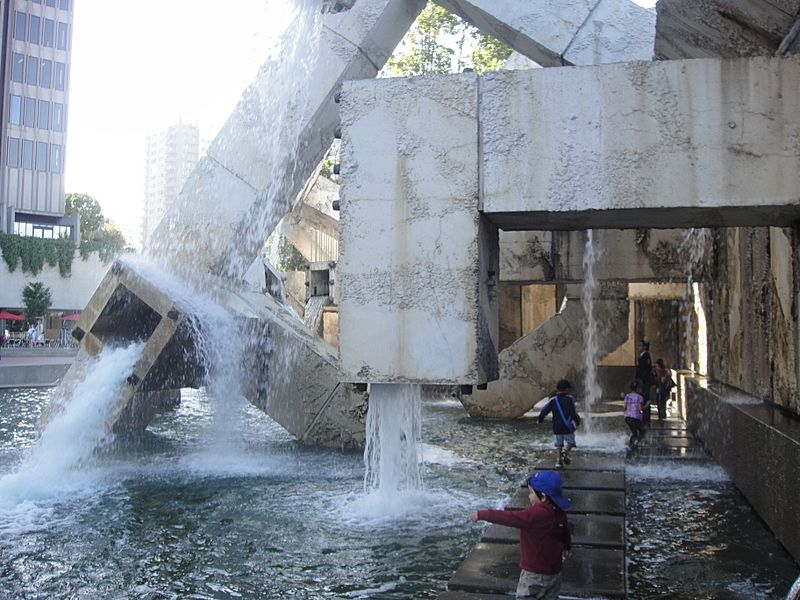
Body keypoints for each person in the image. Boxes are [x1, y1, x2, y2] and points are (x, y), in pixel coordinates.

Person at [470, 470, 572, 600]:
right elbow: (565, 531)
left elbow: (508, 517)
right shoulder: (560, 513)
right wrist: (567, 546)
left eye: (531, 493)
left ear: (544, 497)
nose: (529, 497)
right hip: (554, 573)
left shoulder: (534, 515)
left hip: (533, 574)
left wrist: (483, 514)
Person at [538, 379, 582, 469]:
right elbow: (573, 412)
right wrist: (577, 421)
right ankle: (565, 451)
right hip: (567, 426)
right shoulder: (570, 399)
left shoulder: (553, 400)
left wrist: (540, 419)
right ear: (566, 389)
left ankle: (558, 462)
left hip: (557, 427)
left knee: (558, 445)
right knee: (570, 442)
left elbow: (544, 411)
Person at [635, 339, 654, 426]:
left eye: (640, 346)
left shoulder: (646, 356)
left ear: (644, 347)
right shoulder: (643, 356)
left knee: (645, 399)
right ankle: (644, 417)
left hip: (644, 382)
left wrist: (641, 380)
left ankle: (646, 419)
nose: (638, 347)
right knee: (643, 399)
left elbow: (645, 370)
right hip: (642, 381)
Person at [624, 380, 646, 451]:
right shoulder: (639, 397)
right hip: (636, 417)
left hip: (628, 417)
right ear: (638, 389)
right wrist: (647, 405)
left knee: (634, 432)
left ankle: (632, 445)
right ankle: (633, 445)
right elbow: (640, 408)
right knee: (641, 431)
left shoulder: (627, 396)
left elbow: (625, 407)